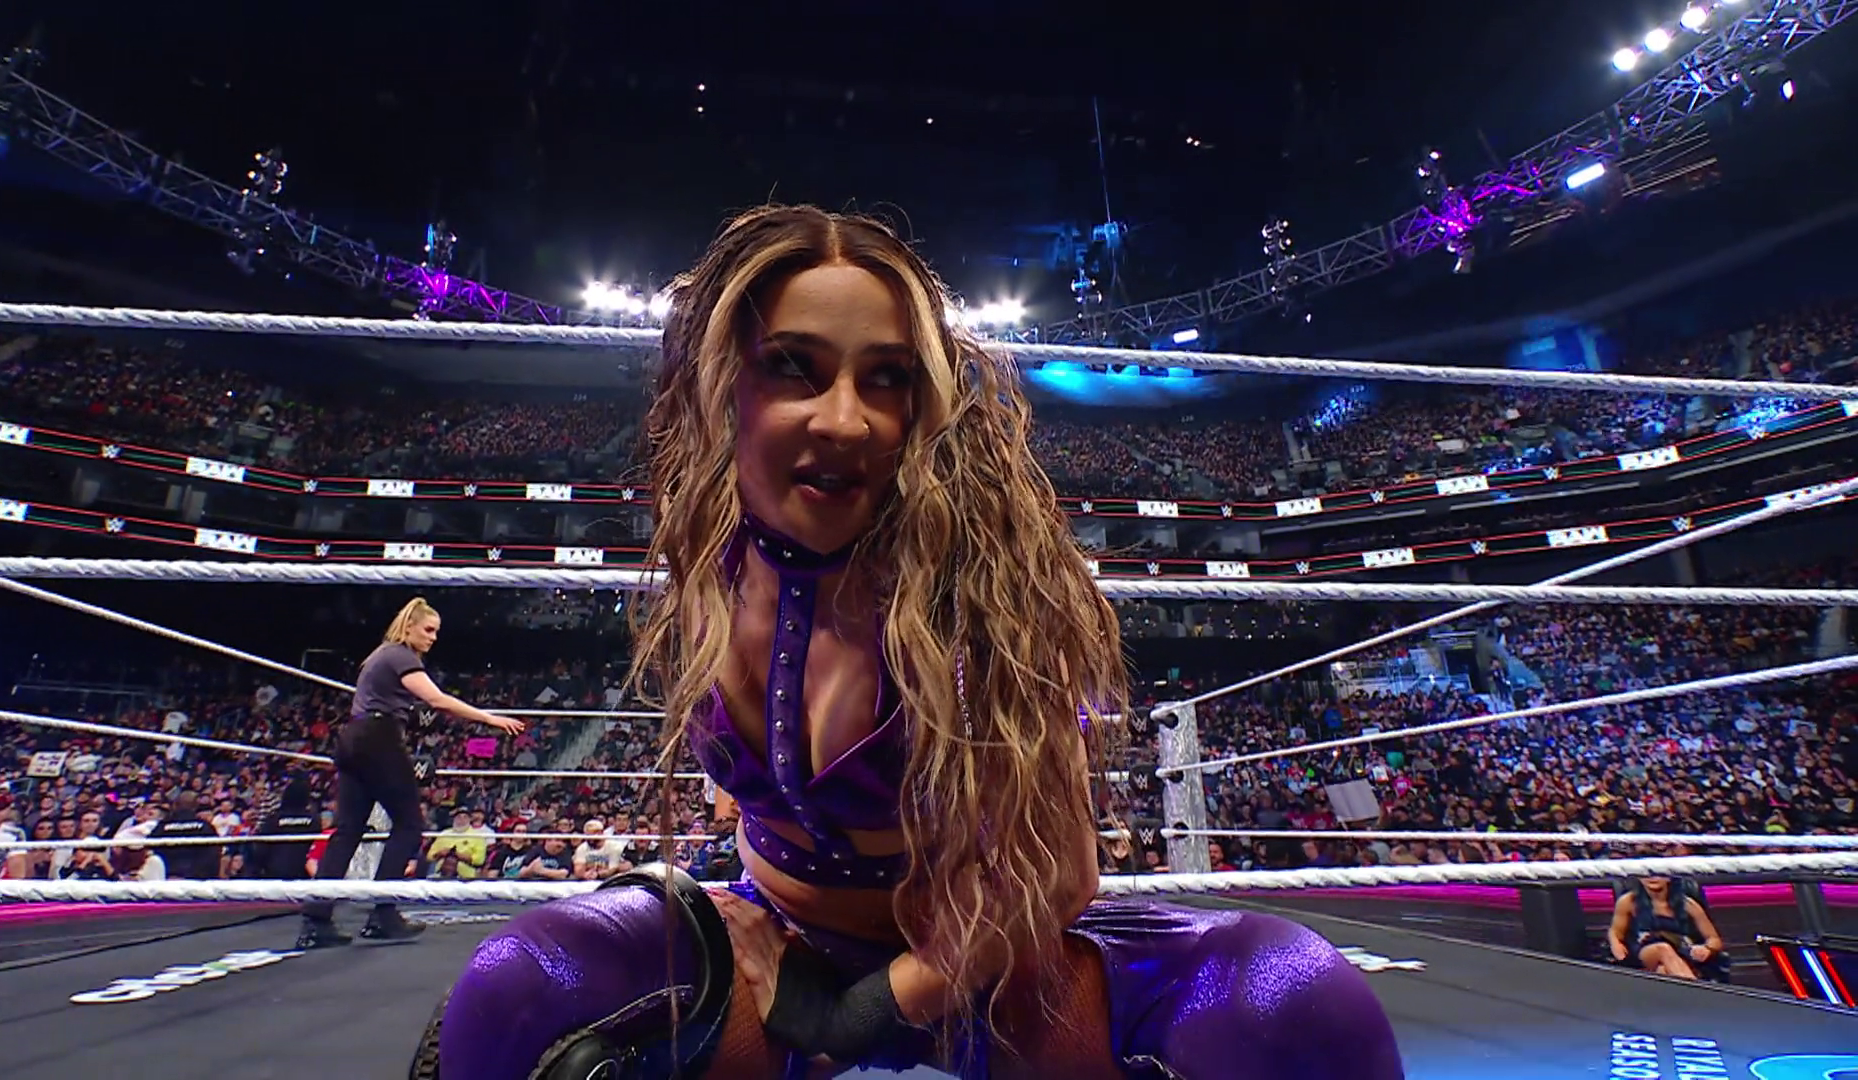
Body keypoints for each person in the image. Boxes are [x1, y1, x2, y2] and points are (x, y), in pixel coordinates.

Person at [429, 207, 1403, 1080]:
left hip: (979, 961)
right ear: (722, 384)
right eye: (794, 366)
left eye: (886, 378)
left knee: (1293, 1003)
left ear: (924, 402)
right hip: (775, 950)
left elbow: (1062, 874)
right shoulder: (704, 555)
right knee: (520, 988)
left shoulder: (990, 581)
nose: (844, 419)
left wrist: (855, 1014)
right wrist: (761, 940)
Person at [297, 597, 526, 950]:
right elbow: (436, 699)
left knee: (348, 829)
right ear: (409, 627)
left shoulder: (380, 655)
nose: (433, 637)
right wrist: (488, 718)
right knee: (409, 824)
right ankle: (383, 914)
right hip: (378, 739)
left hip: (354, 738)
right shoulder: (401, 655)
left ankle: (316, 919)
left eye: (436, 631)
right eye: (428, 630)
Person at [1607, 875, 1728, 981]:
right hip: (1645, 952)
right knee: (1663, 949)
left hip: (1681, 953)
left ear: (1669, 877)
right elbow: (1615, 931)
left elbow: (1714, 939)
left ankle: (1691, 991)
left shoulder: (1688, 904)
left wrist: (1707, 949)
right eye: (1646, 874)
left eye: (1658, 874)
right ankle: (1700, 992)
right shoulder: (1628, 901)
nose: (1652, 878)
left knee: (1663, 971)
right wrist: (1615, 944)